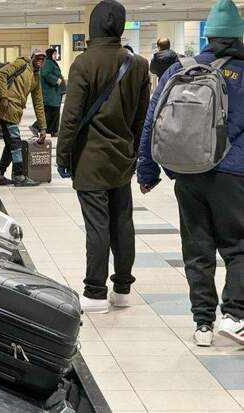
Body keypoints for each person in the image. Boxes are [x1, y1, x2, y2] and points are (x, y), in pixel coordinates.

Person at [137, 0, 244, 347]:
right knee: (238, 246)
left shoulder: (179, 70)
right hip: (234, 176)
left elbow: (153, 120)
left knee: (197, 247)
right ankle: (235, 316)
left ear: (208, 36)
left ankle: (203, 323)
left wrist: (147, 170)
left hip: (189, 172)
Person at [56, 0, 150, 313]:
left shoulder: (84, 63)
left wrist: (63, 155)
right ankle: (122, 289)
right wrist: (131, 149)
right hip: (122, 157)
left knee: (97, 225)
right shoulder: (138, 64)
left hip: (90, 158)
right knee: (122, 222)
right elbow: (142, 117)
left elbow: (71, 118)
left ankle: (95, 292)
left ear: (93, 26)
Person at [0, 52, 47, 187]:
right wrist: (4, 97)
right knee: (16, 143)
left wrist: (43, 127)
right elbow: (2, 74)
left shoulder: (36, 77)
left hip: (16, 111)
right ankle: (19, 176)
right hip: (6, 108)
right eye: (38, 57)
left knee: (10, 144)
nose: (40, 60)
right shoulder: (22, 63)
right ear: (32, 57)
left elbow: (38, 103)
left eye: (42, 59)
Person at [41, 48, 64, 137]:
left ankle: (53, 131)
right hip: (50, 92)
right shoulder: (48, 63)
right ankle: (38, 127)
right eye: (54, 54)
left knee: (53, 112)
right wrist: (55, 80)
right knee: (52, 112)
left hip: (54, 92)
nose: (56, 56)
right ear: (50, 54)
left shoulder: (51, 62)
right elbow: (45, 74)